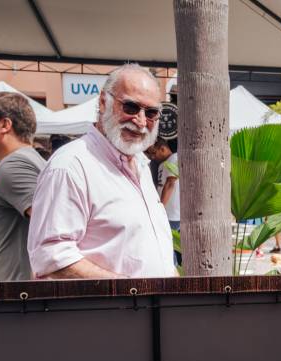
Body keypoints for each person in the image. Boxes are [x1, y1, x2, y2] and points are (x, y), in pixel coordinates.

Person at [28, 64, 175, 279]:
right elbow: (51, 255)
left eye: (151, 112)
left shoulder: (140, 165)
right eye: (131, 107)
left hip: (150, 308)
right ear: (103, 102)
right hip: (113, 310)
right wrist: (129, 291)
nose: (141, 121)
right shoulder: (71, 165)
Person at [0, 92, 46, 281]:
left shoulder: (15, 165)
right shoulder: (27, 160)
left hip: (16, 298)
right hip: (17, 296)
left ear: (5, 125)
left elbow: (51, 222)